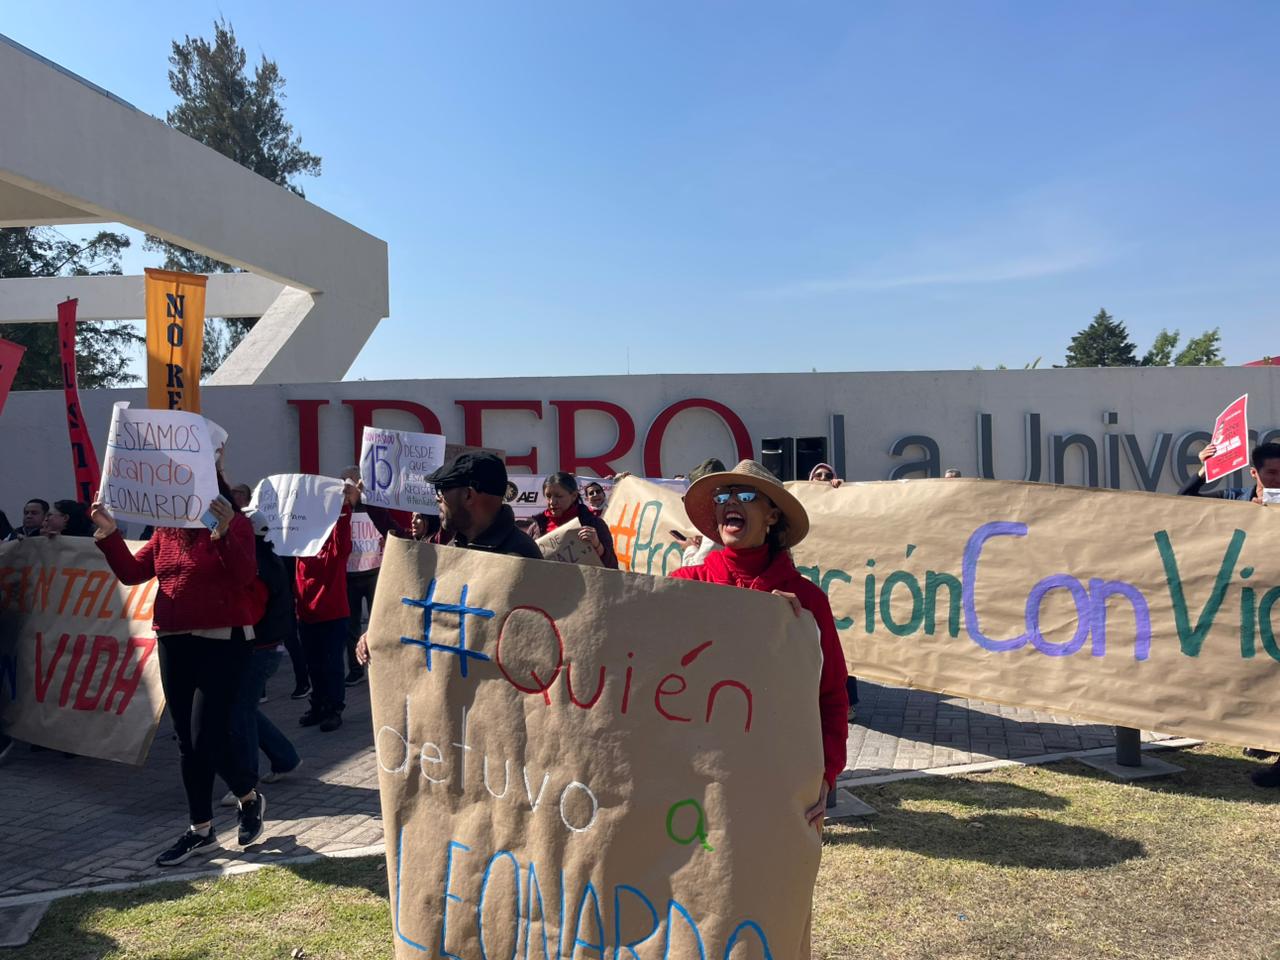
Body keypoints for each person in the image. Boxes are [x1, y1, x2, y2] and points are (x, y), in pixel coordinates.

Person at [89, 487, 267, 866]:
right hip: (173, 639)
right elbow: (132, 573)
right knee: (187, 740)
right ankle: (202, 830)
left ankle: (246, 797)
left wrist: (224, 533)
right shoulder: (166, 531)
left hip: (224, 639)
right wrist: (109, 533)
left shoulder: (236, 525)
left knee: (206, 738)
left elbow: (243, 575)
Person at [669, 459, 848, 833]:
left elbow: (831, 698)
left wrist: (826, 775)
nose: (730, 501)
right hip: (692, 784)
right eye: (723, 495)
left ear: (771, 516)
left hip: (772, 783)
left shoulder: (807, 601)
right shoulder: (685, 585)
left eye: (746, 494)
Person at [355, 453, 539, 666]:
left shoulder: (521, 556)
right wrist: (381, 633)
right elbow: (430, 615)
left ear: (469, 496)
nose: (436, 498)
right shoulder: (451, 548)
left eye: (441, 490)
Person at [1180, 441, 1280, 785]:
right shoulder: (1235, 500)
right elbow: (1181, 507)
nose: (1279, 481)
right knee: (1258, 678)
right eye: (1272, 474)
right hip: (1250, 609)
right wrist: (1202, 474)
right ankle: (1265, 735)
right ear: (1255, 473)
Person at [221, 511, 302, 805]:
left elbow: (251, 611)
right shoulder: (267, 557)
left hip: (258, 649)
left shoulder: (257, 565)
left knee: (240, 713)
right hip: (265, 648)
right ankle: (285, 758)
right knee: (245, 709)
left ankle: (246, 781)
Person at [527, 472, 618, 569]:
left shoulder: (594, 524)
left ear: (574, 496)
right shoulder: (535, 527)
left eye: (559, 496)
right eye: (548, 496)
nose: (552, 502)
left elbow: (612, 567)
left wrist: (597, 545)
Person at [340, 467, 378, 688]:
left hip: (374, 574)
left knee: (376, 624)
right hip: (351, 576)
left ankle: (377, 666)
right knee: (351, 627)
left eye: (349, 485)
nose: (345, 490)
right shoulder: (341, 509)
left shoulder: (372, 507)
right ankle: (355, 669)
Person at [1181, 441, 1280, 502]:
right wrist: (1206, 469)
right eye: (1272, 472)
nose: (1278, 479)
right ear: (1254, 473)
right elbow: (1184, 501)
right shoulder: (1234, 497)